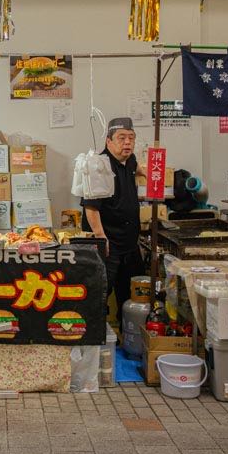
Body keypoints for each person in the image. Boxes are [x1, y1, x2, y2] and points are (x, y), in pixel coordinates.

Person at [80, 118, 146, 326]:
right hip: (108, 243)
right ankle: (97, 336)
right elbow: (90, 207)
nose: (127, 142)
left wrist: (153, 171)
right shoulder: (99, 166)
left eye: (131, 138)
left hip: (129, 243)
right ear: (108, 141)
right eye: (121, 138)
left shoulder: (130, 160)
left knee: (131, 293)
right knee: (100, 292)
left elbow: (138, 169)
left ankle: (129, 335)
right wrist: (101, 238)